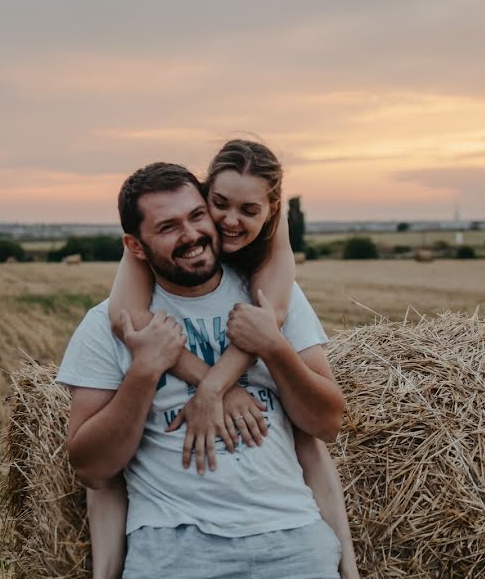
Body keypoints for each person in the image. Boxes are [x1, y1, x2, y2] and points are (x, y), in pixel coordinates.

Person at [57, 161, 348, 578]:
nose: (192, 234)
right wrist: (144, 371)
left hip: (293, 543)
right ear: (135, 246)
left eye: (197, 216)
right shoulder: (109, 326)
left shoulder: (273, 301)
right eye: (168, 226)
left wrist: (272, 346)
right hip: (174, 551)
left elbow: (329, 423)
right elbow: (91, 468)